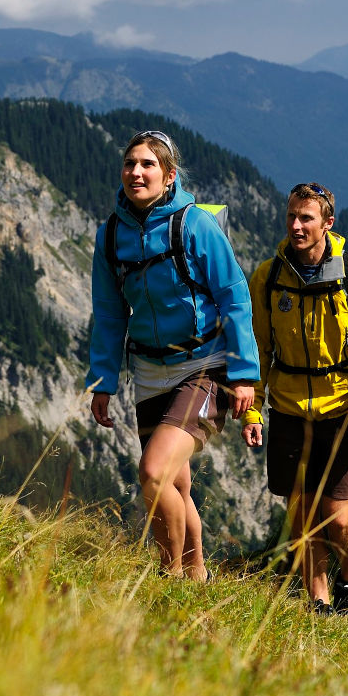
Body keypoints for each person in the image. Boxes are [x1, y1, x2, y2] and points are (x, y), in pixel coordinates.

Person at [88, 129, 260, 580]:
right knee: (176, 483)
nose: (136, 172)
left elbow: (234, 297)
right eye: (130, 163)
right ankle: (196, 576)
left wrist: (244, 375)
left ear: (169, 175)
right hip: (147, 372)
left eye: (147, 164)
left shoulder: (193, 225)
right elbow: (108, 315)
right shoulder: (110, 236)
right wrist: (103, 381)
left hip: (204, 367)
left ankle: (168, 578)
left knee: (154, 472)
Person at [242, 182, 348, 613]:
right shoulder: (268, 277)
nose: (296, 226)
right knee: (302, 513)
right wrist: (253, 409)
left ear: (328, 224)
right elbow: (258, 350)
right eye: (292, 216)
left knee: (338, 515)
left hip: (345, 410)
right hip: (290, 410)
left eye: (306, 218)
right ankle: (320, 601)